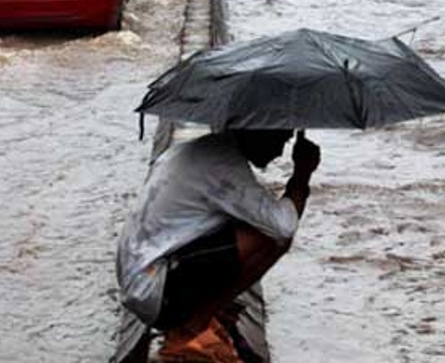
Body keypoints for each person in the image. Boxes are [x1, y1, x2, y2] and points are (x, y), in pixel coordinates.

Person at [116, 130, 321, 362]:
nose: (279, 152)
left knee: (250, 223)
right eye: (278, 140)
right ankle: (195, 324)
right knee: (269, 238)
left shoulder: (204, 151)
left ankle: (199, 315)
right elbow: (283, 228)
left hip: (143, 277)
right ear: (256, 132)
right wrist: (301, 176)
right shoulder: (224, 165)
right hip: (155, 291)